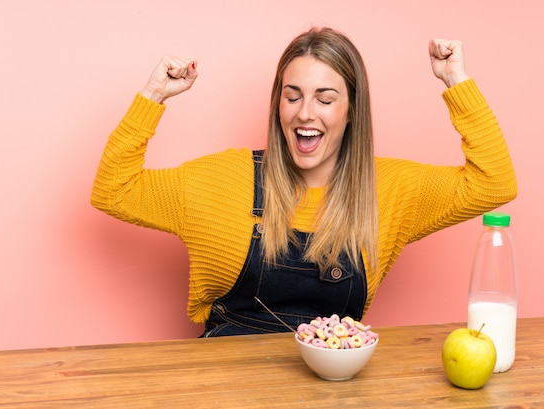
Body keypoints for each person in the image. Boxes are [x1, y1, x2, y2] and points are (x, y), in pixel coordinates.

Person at [91, 27, 517, 337]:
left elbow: (494, 182)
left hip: (333, 390)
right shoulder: (221, 180)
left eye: (325, 99)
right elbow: (114, 190)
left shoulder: (388, 190)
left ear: (352, 111)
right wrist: (154, 95)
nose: (305, 113)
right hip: (221, 388)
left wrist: (455, 81)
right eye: (292, 96)